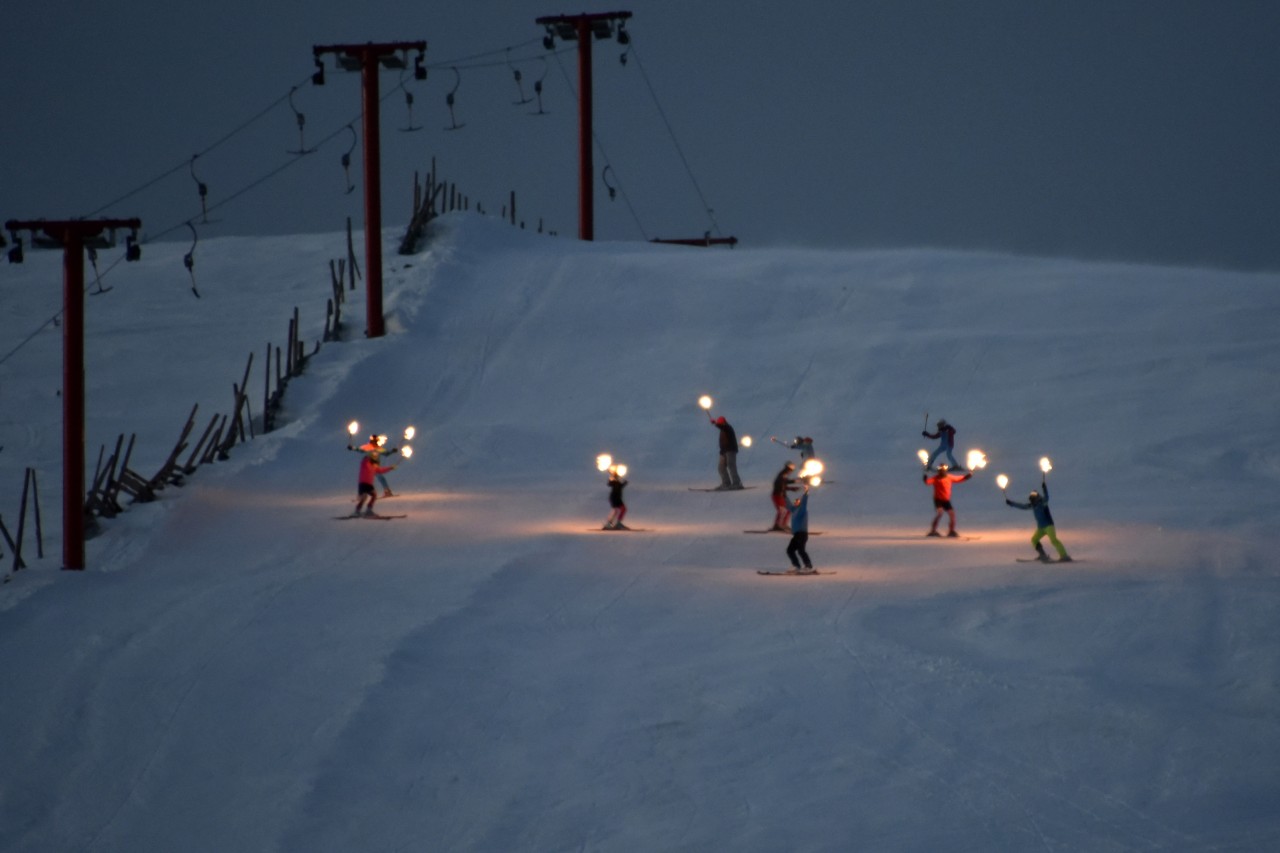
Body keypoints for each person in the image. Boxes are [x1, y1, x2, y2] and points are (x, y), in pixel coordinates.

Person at [1006, 479, 1072, 562]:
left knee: (1053, 540)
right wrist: (1011, 503)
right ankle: (1042, 555)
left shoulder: (1043, 503)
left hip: (1049, 526)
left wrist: (1044, 488)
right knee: (1034, 539)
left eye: (1032, 499)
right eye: (1031, 499)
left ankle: (1064, 556)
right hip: (1041, 528)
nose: (1032, 501)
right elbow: (1022, 506)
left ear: (1036, 498)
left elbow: (1047, 497)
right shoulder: (1032, 505)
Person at [923, 463, 972, 537]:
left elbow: (959, 479)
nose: (942, 472)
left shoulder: (949, 477)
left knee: (952, 515)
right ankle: (933, 531)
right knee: (940, 513)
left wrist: (967, 477)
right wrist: (925, 478)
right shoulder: (935, 478)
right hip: (938, 500)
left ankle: (951, 531)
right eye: (941, 470)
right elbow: (927, 482)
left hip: (946, 500)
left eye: (943, 470)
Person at [355, 449, 397, 516]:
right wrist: (369, 457)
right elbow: (366, 460)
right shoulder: (365, 462)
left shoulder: (374, 466)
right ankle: (357, 511)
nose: (375, 458)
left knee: (374, 495)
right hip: (363, 483)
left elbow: (381, 470)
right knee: (364, 498)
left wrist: (390, 468)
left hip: (369, 484)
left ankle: (368, 510)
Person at [709, 413, 743, 490]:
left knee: (731, 466)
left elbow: (722, 427)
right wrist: (721, 451)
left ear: (724, 422)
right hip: (724, 451)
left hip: (730, 450)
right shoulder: (723, 429)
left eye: (720, 423)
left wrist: (715, 423)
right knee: (721, 468)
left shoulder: (727, 427)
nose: (720, 424)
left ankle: (737, 483)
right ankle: (726, 483)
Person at [786, 482, 815, 572]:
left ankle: (808, 566)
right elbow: (788, 505)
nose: (796, 502)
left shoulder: (802, 510)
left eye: (798, 501)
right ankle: (797, 566)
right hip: (797, 535)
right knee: (790, 550)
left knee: (801, 550)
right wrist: (784, 495)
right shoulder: (794, 510)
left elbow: (804, 502)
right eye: (795, 501)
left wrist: (806, 492)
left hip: (802, 534)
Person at [770, 460, 799, 530]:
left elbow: (783, 483)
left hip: (781, 495)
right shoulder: (783, 474)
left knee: (787, 510)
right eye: (791, 470)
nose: (791, 472)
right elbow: (781, 484)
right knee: (782, 511)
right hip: (778, 495)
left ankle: (783, 525)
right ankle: (778, 525)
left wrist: (792, 487)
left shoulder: (783, 475)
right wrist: (792, 485)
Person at [603, 465, 629, 530]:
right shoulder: (614, 481)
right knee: (618, 510)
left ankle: (613, 523)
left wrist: (624, 483)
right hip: (615, 498)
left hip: (617, 498)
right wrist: (612, 477)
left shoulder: (618, 482)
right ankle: (612, 524)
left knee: (619, 510)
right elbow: (609, 483)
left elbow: (620, 486)